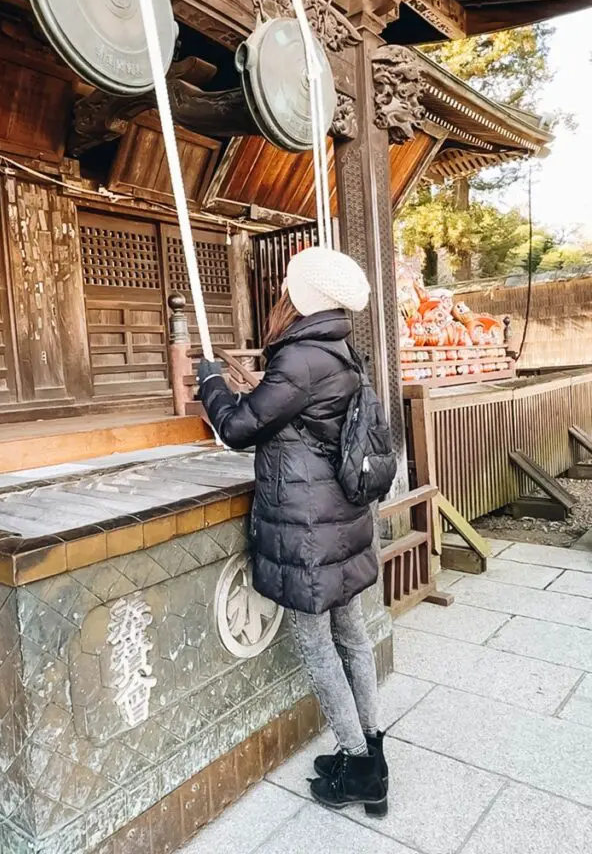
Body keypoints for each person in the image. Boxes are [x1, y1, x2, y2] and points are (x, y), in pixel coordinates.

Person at [197, 246, 388, 817]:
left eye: (286, 286)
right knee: (351, 634)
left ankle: (358, 768)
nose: (279, 292)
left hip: (309, 530)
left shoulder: (300, 359)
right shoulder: (339, 351)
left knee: (315, 642)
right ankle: (371, 749)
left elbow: (237, 426)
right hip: (343, 523)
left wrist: (211, 382)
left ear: (301, 299)